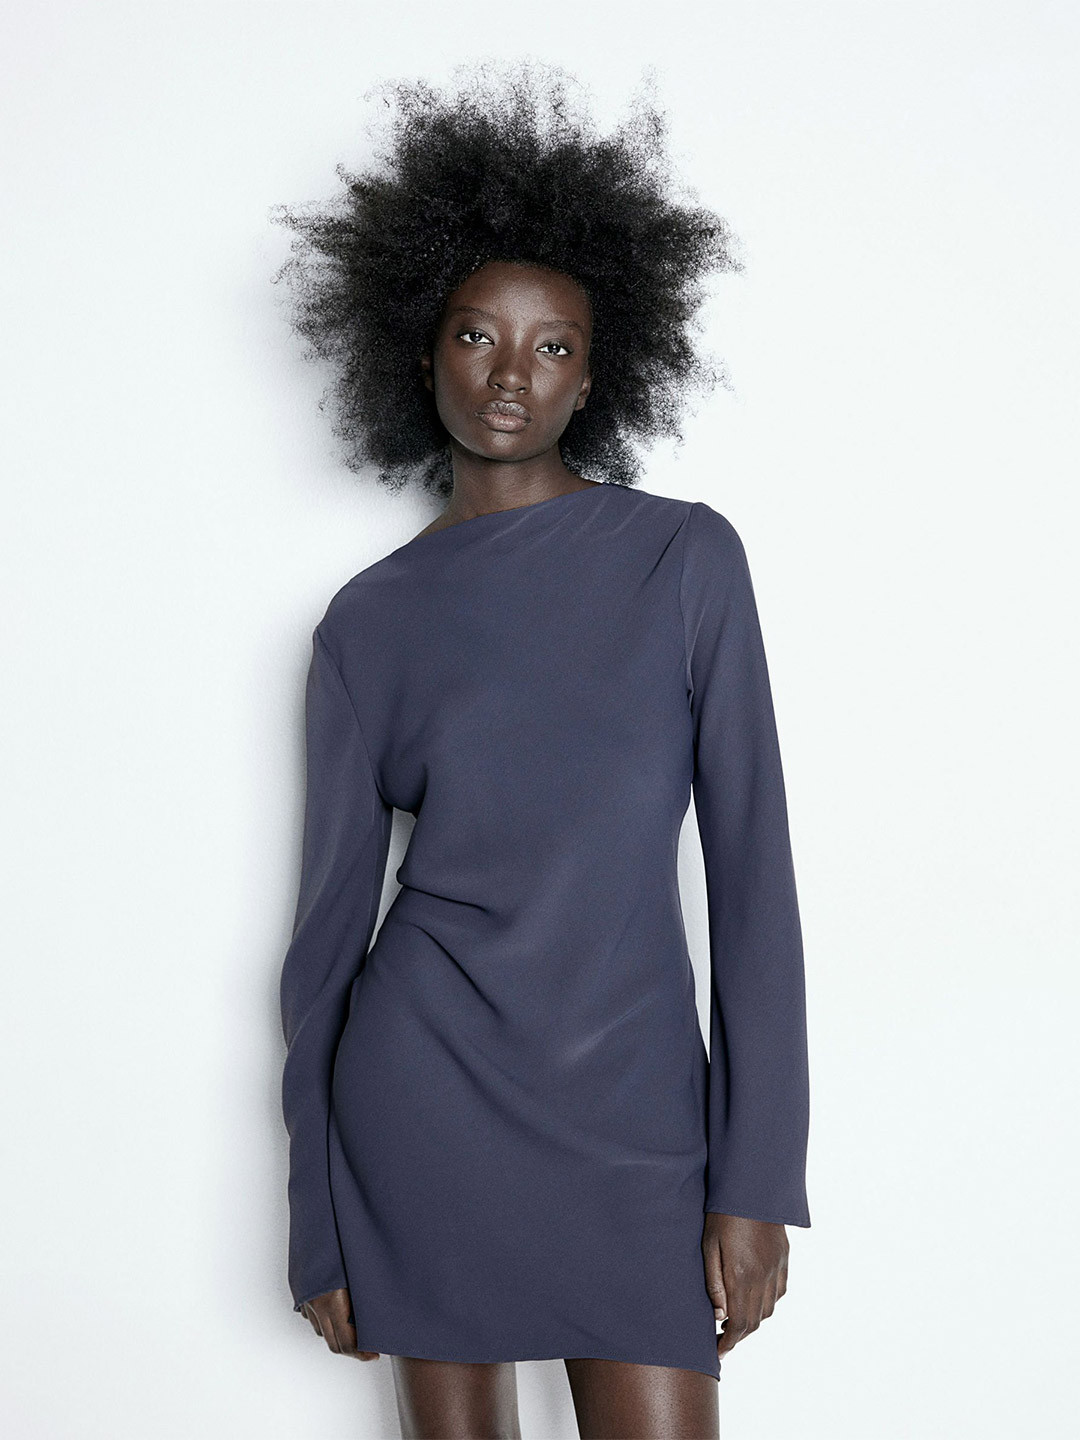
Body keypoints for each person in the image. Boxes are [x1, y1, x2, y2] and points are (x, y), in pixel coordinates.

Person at [270, 59, 811, 1440]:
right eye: (477, 335)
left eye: (553, 346)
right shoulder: (367, 623)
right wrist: (318, 1215)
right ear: (421, 349)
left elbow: (754, 882)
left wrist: (756, 1178)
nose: (511, 374)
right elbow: (323, 946)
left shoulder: (682, 560)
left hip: (638, 1123)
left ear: (594, 373)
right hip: (424, 1109)